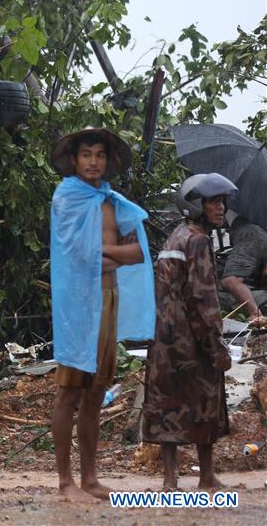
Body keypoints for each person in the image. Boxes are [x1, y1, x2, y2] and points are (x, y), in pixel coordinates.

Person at [48, 127, 155, 502]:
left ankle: (90, 478)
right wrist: (110, 252)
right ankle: (65, 482)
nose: (93, 162)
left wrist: (101, 252)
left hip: (109, 297)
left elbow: (138, 253)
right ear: (75, 160)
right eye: (86, 155)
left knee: (95, 392)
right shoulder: (67, 198)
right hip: (78, 306)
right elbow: (77, 255)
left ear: (108, 161)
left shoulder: (114, 202)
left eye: (99, 155)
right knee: (68, 391)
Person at [142, 173, 237, 490]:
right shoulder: (198, 240)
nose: (220, 207)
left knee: (167, 406)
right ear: (196, 205)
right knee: (206, 404)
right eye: (213, 201)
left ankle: (170, 480)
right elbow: (202, 298)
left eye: (222, 201)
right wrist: (215, 347)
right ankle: (206, 476)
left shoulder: (174, 238)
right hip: (192, 342)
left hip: (165, 340)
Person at [219, 209, 267, 319]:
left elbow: (231, 281)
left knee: (227, 283)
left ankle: (256, 313)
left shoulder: (250, 232)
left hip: (253, 234)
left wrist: (254, 312)